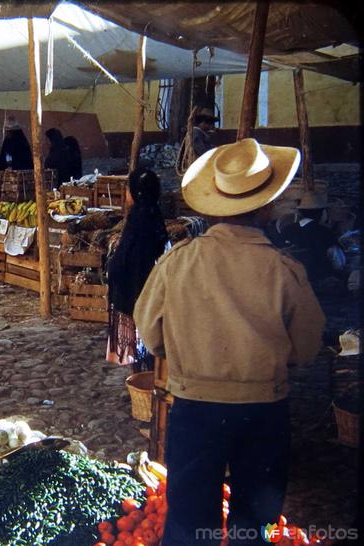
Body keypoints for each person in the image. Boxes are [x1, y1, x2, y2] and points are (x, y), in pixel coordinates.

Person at [133, 138, 325, 546]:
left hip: (195, 409)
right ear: (267, 205)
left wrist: (188, 349)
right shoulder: (284, 269)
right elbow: (307, 347)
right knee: (254, 523)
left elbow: (148, 331)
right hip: (264, 410)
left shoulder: (178, 261)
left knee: (188, 521)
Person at [105, 169, 168, 373]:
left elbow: (130, 259)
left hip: (134, 291)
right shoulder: (154, 214)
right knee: (145, 340)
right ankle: (148, 374)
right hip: (147, 291)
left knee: (136, 339)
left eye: (127, 189)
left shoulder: (138, 220)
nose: (126, 193)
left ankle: (141, 378)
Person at [279, 192, 345, 284]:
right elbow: (338, 262)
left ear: (301, 212)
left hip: (293, 280)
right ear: (321, 213)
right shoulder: (326, 232)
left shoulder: (286, 230)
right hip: (321, 283)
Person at [0, 118, 33, 201]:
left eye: (9, 132)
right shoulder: (7, 142)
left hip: (20, 179)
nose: (7, 134)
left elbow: (25, 162)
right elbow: (2, 161)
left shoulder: (21, 144)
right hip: (6, 179)